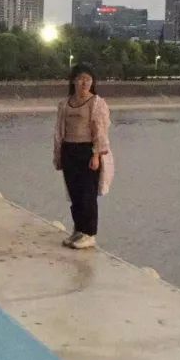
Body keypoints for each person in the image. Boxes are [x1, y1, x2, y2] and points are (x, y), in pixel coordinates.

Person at [53, 64, 114, 249]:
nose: (84, 82)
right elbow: (58, 131)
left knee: (88, 194)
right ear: (73, 80)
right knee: (75, 194)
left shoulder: (96, 103)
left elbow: (101, 132)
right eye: (80, 78)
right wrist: (58, 155)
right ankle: (78, 229)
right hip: (69, 150)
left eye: (88, 79)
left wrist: (96, 155)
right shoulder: (65, 104)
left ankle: (89, 233)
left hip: (87, 151)